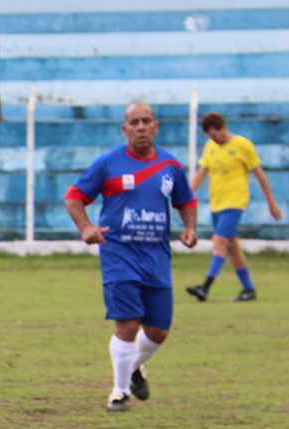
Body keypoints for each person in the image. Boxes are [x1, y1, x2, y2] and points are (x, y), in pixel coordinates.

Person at [63, 100, 198, 412]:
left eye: (146, 121)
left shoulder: (171, 166)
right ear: (125, 129)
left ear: (156, 127)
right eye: (134, 122)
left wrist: (190, 228)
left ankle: (134, 366)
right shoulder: (107, 164)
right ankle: (119, 391)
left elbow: (186, 200)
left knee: (158, 331)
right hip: (119, 254)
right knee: (128, 324)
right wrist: (86, 228)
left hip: (157, 256)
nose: (140, 127)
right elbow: (73, 198)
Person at [185, 112, 283, 303]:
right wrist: (186, 197)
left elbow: (260, 175)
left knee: (219, 241)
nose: (214, 140)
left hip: (235, 203)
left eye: (215, 135)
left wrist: (271, 203)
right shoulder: (210, 147)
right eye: (210, 137)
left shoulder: (243, 145)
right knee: (232, 248)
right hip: (217, 204)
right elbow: (200, 174)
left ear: (223, 128)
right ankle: (248, 289)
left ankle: (204, 288)